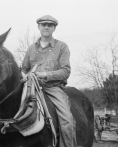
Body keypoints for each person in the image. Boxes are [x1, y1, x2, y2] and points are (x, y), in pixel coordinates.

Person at [21, 15, 77, 147]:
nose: (46, 27)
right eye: (43, 24)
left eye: (50, 25)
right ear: (39, 27)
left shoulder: (62, 47)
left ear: (54, 28)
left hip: (53, 88)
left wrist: (45, 74)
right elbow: (24, 68)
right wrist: (25, 75)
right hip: (31, 87)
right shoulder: (31, 48)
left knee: (67, 121)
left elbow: (65, 71)